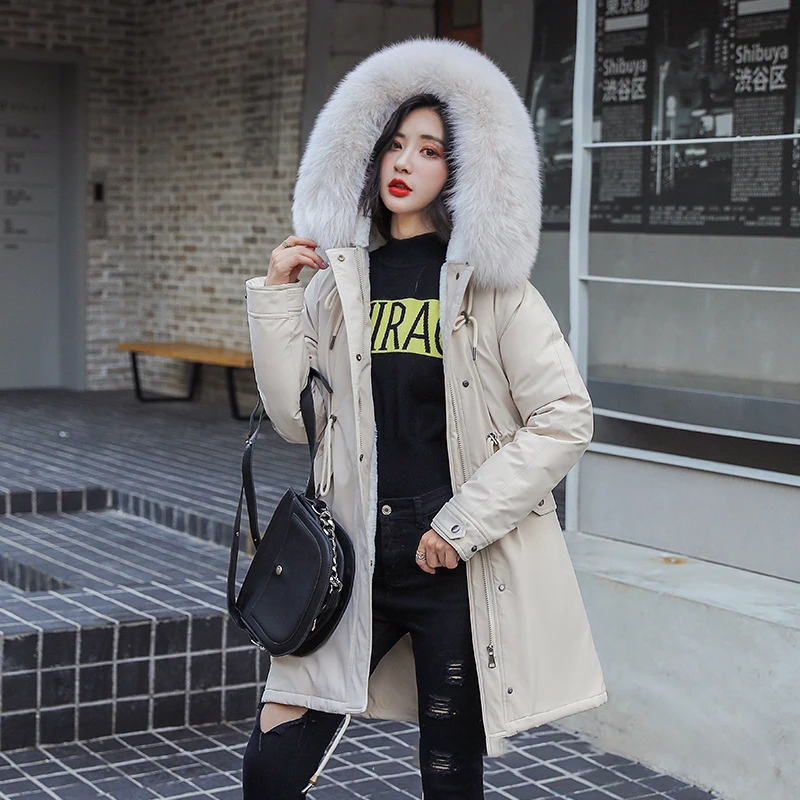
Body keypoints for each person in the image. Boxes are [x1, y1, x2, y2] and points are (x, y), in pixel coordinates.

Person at [243, 37, 606, 799]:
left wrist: (460, 524)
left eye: (431, 149)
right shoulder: (337, 286)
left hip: (451, 560)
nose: (404, 162)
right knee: (278, 746)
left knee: (448, 768)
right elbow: (295, 421)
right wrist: (277, 294)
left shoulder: (493, 292)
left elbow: (564, 417)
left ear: (462, 172)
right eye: (395, 144)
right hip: (352, 553)